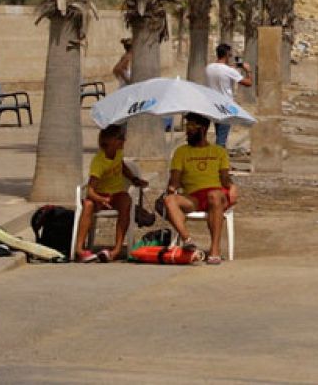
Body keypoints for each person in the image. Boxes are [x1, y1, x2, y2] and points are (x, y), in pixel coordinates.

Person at [163, 113, 237, 265]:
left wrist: (232, 186)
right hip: (193, 197)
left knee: (214, 195)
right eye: (187, 126)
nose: (187, 130)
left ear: (202, 128)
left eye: (191, 126)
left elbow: (224, 178)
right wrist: (172, 186)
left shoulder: (219, 151)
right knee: (170, 200)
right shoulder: (181, 152)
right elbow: (175, 181)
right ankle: (188, 241)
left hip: (216, 195)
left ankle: (215, 249)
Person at [74, 124, 148, 262]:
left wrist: (134, 179)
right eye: (120, 138)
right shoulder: (99, 162)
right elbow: (90, 191)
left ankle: (117, 249)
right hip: (99, 195)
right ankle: (79, 249)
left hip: (116, 194)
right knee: (88, 205)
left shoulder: (118, 153)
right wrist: (102, 199)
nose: (124, 140)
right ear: (110, 141)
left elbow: (122, 167)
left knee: (126, 201)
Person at [204, 43, 252, 149]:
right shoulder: (229, 71)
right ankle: (219, 157)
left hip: (213, 105)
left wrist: (230, 67)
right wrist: (248, 70)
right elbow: (248, 83)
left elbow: (219, 69)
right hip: (226, 107)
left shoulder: (209, 67)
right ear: (226, 54)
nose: (230, 57)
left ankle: (218, 155)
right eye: (230, 55)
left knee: (218, 132)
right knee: (221, 138)